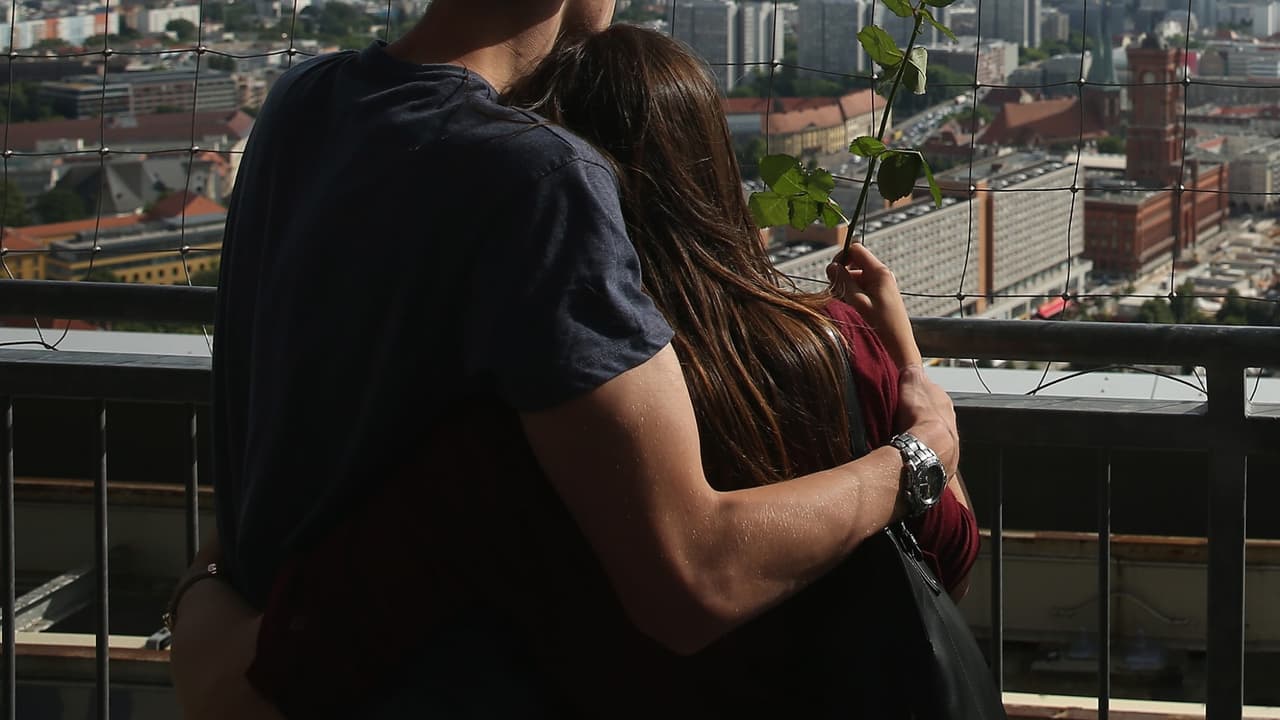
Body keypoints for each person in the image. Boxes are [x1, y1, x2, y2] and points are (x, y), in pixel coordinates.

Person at [169, 4, 965, 718]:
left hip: (289, 653)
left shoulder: (303, 100)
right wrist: (921, 451)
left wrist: (207, 594)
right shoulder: (539, 176)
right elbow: (693, 576)